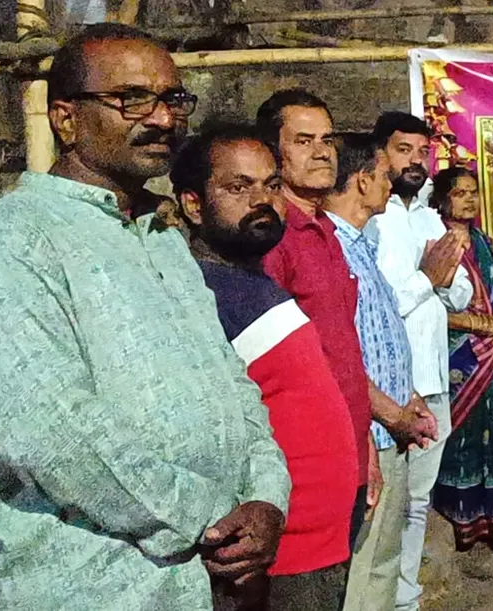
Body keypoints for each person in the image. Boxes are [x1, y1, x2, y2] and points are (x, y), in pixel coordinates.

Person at [0, 24, 289, 609]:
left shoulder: (162, 237)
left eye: (173, 99)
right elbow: (51, 435)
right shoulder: (15, 240)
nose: (164, 119)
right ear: (65, 119)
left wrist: (269, 497)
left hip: (207, 581)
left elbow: (233, 385)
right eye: (131, 100)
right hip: (96, 587)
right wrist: (211, 518)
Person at [254, 90, 436, 611]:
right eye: (303, 141)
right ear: (275, 152)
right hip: (303, 461)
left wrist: (365, 445)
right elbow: (292, 366)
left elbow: (346, 355)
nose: (321, 152)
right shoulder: (273, 237)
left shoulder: (327, 237)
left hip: (357, 445)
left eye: (327, 139)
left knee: (361, 577)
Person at [174, 125, 358, 610]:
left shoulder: (250, 284)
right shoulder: (196, 293)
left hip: (315, 546)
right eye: (238, 188)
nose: (262, 200)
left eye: (271, 185)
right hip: (270, 557)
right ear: (193, 205)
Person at [367, 112, 474, 611]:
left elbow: (461, 295)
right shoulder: (372, 217)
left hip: (432, 385)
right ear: (380, 154)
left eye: (421, 151)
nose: (415, 160)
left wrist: (441, 278)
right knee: (384, 506)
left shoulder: (429, 216)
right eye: (403, 149)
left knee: (415, 506)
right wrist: (427, 278)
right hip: (389, 391)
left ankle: (406, 597)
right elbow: (375, 301)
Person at [320, 133, 428, 611]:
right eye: (384, 175)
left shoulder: (360, 243)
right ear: (363, 181)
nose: (390, 184)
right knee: (366, 571)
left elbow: (378, 336)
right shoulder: (330, 249)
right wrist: (389, 415)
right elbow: (335, 355)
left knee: (383, 563)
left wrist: (410, 396)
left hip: (390, 430)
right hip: (370, 436)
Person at [430, 167, 493, 560]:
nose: (469, 200)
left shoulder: (485, 243)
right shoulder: (434, 243)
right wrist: (486, 326)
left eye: (473, 193)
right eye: (459, 193)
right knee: (465, 440)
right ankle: (464, 518)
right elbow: (429, 307)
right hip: (463, 361)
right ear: (442, 199)